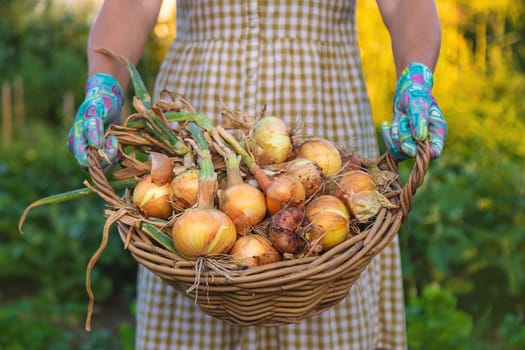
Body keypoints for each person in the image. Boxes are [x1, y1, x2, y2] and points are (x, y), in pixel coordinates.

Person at [67, 1, 447, 349]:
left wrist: (414, 80)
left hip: (324, 127)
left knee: (330, 242)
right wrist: (103, 87)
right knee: (196, 253)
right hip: (202, 133)